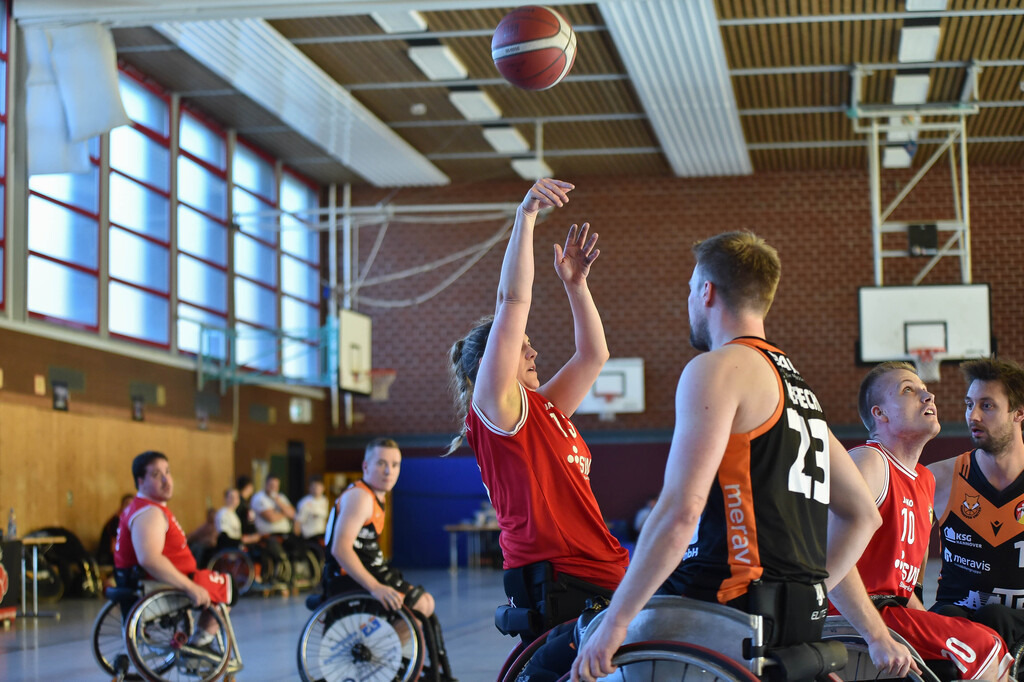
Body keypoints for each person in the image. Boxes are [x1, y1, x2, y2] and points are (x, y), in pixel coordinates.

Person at [573, 231, 916, 681]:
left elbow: (679, 511)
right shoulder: (802, 393)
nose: (690, 302)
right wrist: (813, 596)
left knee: (576, 639)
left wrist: (615, 623)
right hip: (794, 618)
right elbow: (862, 517)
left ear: (706, 292)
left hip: (728, 606)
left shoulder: (717, 369)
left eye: (690, 290)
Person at [446, 179, 628, 680]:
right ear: (489, 364)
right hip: (561, 575)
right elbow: (511, 301)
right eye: (522, 345)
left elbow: (595, 356)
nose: (533, 352)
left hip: (603, 565)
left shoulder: (542, 406)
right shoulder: (498, 407)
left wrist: (577, 285)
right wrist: (525, 216)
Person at [828, 362, 1011, 680]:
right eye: (908, 390)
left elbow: (903, 587)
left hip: (892, 613)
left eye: (924, 388)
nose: (929, 395)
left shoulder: (924, 480)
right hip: (851, 618)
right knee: (985, 646)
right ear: (880, 414)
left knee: (985, 637)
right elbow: (828, 564)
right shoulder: (869, 461)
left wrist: (932, 626)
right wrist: (876, 636)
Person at [322, 438, 455, 681]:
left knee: (424, 603)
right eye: (381, 463)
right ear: (365, 466)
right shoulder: (360, 497)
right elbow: (340, 550)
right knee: (421, 605)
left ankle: (386, 657)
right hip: (347, 580)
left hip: (370, 573)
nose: (388, 471)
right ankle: (377, 659)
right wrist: (376, 588)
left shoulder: (375, 497)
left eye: (395, 465)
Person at [929, 357, 1024, 661]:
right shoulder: (939, 479)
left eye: (988, 405)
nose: (974, 415)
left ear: (1018, 413)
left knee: (996, 617)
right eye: (970, 404)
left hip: (1016, 624)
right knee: (947, 618)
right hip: (956, 620)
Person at [114, 451, 234, 652]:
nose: (166, 480)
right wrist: (190, 587)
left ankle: (202, 638)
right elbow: (149, 559)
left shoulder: (146, 507)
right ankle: (201, 644)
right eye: (156, 475)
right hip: (160, 584)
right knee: (230, 589)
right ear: (140, 481)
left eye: (167, 472)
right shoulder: (149, 514)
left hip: (160, 580)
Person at [97, 493, 133, 566]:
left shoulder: (128, 519)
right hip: (109, 559)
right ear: (122, 506)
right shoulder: (116, 521)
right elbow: (115, 547)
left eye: (132, 505)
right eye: (127, 504)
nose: (130, 507)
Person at [295, 477, 329, 545]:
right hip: (308, 538)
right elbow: (297, 522)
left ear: (323, 488)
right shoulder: (304, 503)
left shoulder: (324, 500)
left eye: (318, 487)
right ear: (309, 488)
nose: (316, 490)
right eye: (314, 487)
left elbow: (324, 519)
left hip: (321, 536)